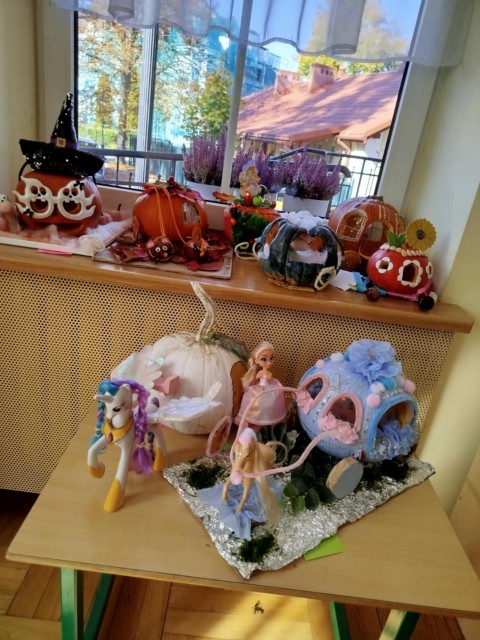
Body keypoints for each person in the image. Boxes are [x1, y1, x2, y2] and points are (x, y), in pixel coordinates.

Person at [234, 341, 286, 431]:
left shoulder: (267, 372)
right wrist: (260, 375)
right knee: (253, 401)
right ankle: (251, 420)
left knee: (268, 403)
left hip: (268, 388)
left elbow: (269, 377)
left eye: (271, 358)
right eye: (264, 359)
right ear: (256, 360)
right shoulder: (260, 372)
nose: (269, 363)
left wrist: (265, 373)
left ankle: (265, 421)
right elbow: (257, 377)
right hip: (259, 388)